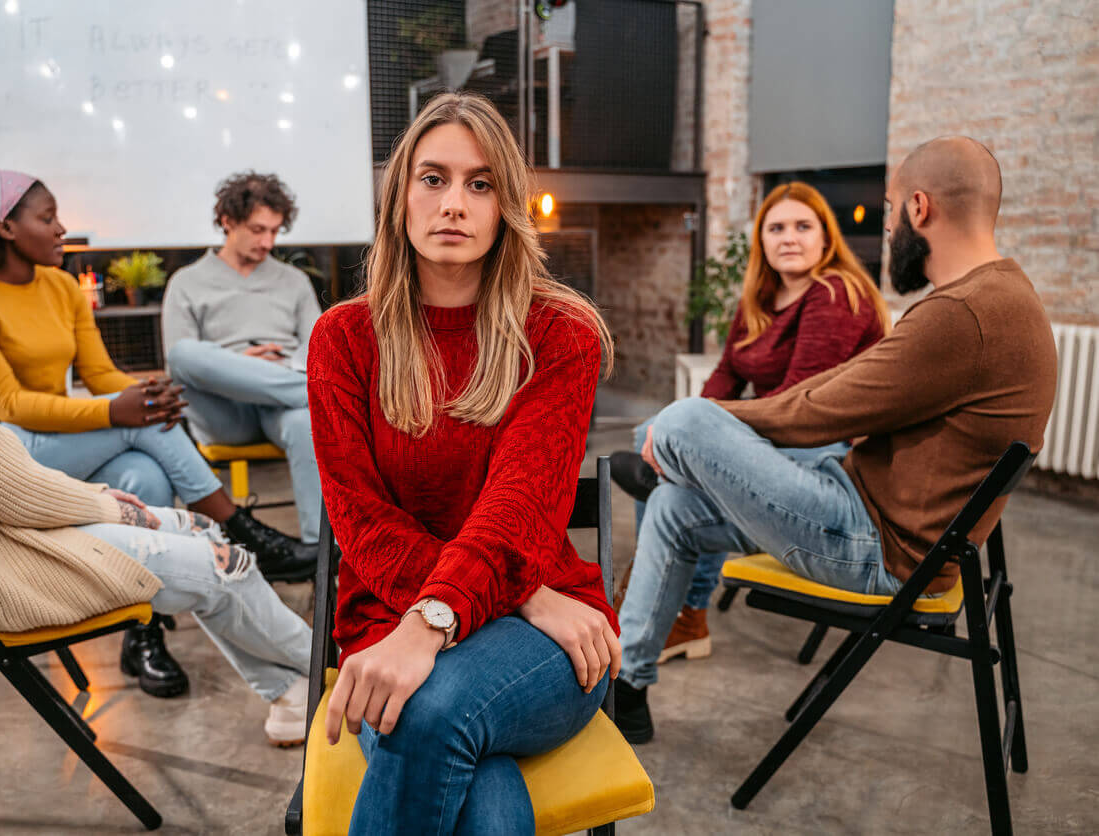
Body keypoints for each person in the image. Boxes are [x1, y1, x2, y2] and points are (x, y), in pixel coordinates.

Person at [0, 160, 312, 746]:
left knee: (148, 474)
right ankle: (333, 674)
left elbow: (80, 393)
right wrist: (109, 501)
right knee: (228, 561)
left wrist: (135, 407)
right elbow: (12, 485)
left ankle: (289, 693)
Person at [611, 137, 1057, 744]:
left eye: (890, 208)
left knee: (686, 420)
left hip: (877, 547)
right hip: (859, 502)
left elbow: (820, 407)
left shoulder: (964, 314)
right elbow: (839, 393)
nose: (888, 222)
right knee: (673, 506)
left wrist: (690, 429)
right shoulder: (994, 299)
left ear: (919, 209)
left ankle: (660, 456)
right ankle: (629, 688)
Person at [306, 93, 620, 835]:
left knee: (432, 708)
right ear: (399, 198)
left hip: (547, 642)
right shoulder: (343, 339)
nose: (454, 203)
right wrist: (516, 594)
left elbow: (518, 507)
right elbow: (361, 521)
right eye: (433, 178)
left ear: (507, 203)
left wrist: (434, 623)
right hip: (422, 613)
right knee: (481, 789)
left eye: (480, 184)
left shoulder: (559, 334)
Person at [610, 182, 889, 663]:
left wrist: (702, 439)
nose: (789, 238)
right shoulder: (760, 299)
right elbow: (726, 375)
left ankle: (676, 607)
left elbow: (802, 401)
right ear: (761, 241)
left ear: (826, 237)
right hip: (778, 439)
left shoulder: (836, 292)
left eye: (803, 227)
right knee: (652, 438)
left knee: (686, 468)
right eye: (776, 228)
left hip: (822, 455)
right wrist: (686, 432)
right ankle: (680, 611)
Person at [161, 172, 322, 557]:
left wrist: (282, 369)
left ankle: (322, 559)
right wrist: (237, 365)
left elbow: (319, 350)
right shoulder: (186, 282)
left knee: (305, 419)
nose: (268, 242)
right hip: (224, 410)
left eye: (275, 231)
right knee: (185, 353)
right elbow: (179, 363)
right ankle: (321, 394)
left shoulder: (294, 281)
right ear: (228, 222)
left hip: (283, 405)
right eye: (257, 229)